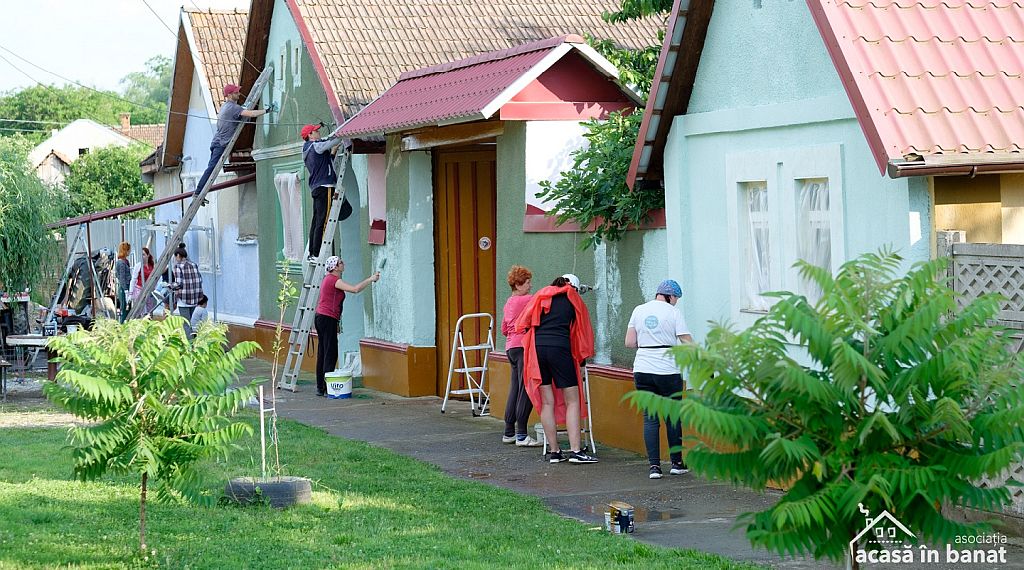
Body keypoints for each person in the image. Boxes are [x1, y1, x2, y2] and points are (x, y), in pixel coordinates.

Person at [516, 273, 597, 464]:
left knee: (547, 403)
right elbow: (582, 332)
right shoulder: (573, 297)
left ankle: (554, 452)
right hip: (560, 348)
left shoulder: (542, 294)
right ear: (574, 287)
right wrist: (582, 360)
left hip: (537, 350)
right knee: (573, 401)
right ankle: (576, 451)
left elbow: (525, 323)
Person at [625, 279, 694, 480]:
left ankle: (654, 467)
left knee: (650, 418)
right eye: (676, 298)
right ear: (670, 296)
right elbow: (686, 341)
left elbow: (629, 342)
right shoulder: (673, 313)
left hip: (642, 369)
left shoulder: (639, 310)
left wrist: (648, 343)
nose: (676, 302)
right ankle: (676, 464)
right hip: (668, 370)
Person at [314, 256, 380, 396]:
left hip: (322, 317)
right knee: (330, 352)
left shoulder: (327, 279)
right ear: (335, 267)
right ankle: (327, 386)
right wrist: (370, 279)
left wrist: (336, 322)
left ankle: (321, 386)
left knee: (323, 351)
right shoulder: (334, 280)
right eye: (340, 262)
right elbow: (355, 289)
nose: (343, 264)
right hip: (327, 318)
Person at [195, 84, 271, 200]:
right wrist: (266, 110)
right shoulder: (233, 108)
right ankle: (198, 192)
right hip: (221, 143)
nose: (239, 94)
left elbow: (240, 116)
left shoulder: (226, 106)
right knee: (211, 169)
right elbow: (251, 114)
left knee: (211, 168)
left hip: (217, 142)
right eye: (236, 92)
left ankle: (200, 192)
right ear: (230, 95)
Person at [501, 265, 540, 447]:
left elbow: (503, 329)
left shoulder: (509, 302)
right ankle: (522, 435)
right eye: (527, 282)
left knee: (515, 389)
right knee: (526, 389)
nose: (530, 286)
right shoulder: (528, 300)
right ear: (517, 285)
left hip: (510, 348)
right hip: (524, 347)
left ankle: (509, 432)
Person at [301, 123, 352, 261]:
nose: (319, 132)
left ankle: (312, 253)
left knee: (316, 220)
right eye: (316, 131)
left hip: (317, 188)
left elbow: (324, 164)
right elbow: (331, 141)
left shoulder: (307, 149)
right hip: (325, 187)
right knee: (323, 221)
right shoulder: (316, 145)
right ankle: (317, 254)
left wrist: (333, 152)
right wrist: (344, 132)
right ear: (310, 135)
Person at [167, 247, 203, 322]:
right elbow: (199, 280)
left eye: (175, 257)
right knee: (194, 323)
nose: (175, 259)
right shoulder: (194, 265)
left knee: (186, 323)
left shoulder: (178, 266)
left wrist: (170, 286)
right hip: (195, 298)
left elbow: (178, 284)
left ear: (178, 255)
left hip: (184, 299)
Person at [129, 246, 158, 316]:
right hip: (139, 290)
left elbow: (154, 278)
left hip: (149, 290)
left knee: (149, 310)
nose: (142, 257)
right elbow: (133, 280)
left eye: (144, 254)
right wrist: (130, 294)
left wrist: (155, 287)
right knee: (141, 311)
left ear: (148, 255)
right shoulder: (138, 266)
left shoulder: (151, 266)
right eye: (141, 255)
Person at [114, 242, 131, 323]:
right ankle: (122, 324)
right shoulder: (121, 262)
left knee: (128, 307)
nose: (129, 252)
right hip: (124, 288)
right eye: (128, 250)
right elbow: (121, 277)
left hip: (127, 286)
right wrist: (125, 290)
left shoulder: (125, 261)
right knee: (124, 308)